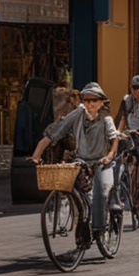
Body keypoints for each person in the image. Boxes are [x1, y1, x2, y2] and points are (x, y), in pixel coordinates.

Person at [29, 82, 121, 239]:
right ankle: (83, 223)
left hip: (102, 161)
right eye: (86, 100)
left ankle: (100, 228)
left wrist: (109, 156)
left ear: (101, 102)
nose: (89, 103)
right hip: (81, 160)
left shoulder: (106, 120)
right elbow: (55, 133)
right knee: (76, 191)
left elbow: (115, 140)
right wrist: (36, 155)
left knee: (102, 190)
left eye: (93, 100)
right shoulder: (78, 114)